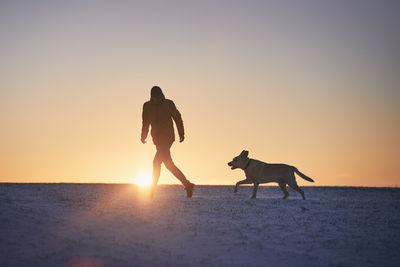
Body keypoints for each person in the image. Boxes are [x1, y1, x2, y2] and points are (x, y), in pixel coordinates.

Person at [141, 86, 195, 198]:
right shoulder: (147, 106)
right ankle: (188, 184)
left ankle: (151, 192)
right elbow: (145, 122)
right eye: (155, 97)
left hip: (168, 138)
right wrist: (143, 135)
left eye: (159, 96)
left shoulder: (168, 103)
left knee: (156, 162)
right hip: (157, 140)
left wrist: (181, 133)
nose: (157, 99)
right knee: (169, 165)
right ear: (152, 96)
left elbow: (177, 117)